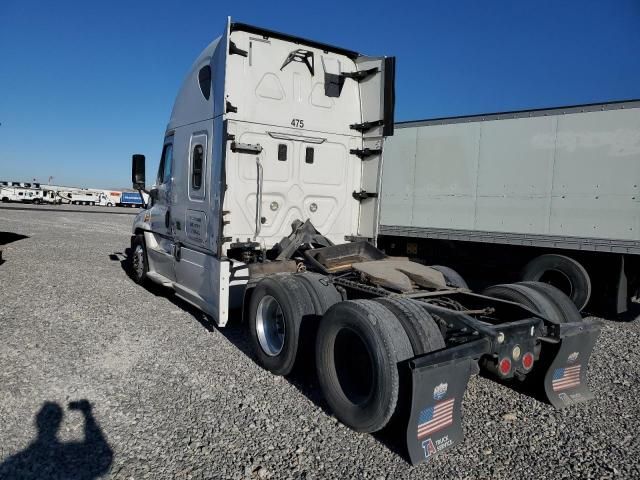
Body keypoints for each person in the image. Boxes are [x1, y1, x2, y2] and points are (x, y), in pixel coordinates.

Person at [0, 400, 113, 479]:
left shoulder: (14, 462)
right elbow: (103, 458)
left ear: (38, 421)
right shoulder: (73, 452)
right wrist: (87, 414)